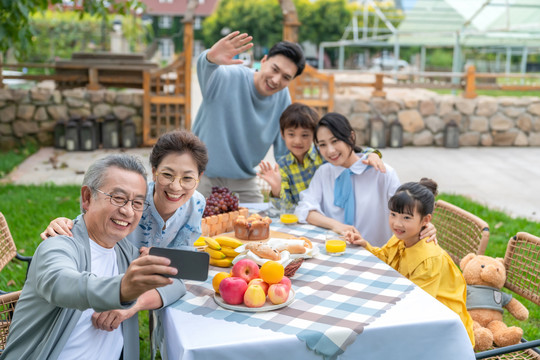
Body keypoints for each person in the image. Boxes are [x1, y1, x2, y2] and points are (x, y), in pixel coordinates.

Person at [1, 154, 184, 359]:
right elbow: (61, 284)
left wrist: (134, 304)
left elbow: (177, 282)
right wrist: (123, 289)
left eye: (137, 203)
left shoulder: (124, 251)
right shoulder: (59, 244)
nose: (127, 211)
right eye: (118, 198)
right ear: (87, 198)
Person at [345, 178, 475, 346]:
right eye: (393, 214)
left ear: (426, 220)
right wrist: (365, 245)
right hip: (411, 313)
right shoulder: (402, 237)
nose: (397, 223)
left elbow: (417, 305)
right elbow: (386, 257)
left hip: (443, 331)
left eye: (406, 217)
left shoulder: (428, 260)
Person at [40, 130, 208, 249]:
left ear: (199, 177)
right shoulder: (133, 198)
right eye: (167, 174)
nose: (175, 186)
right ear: (154, 172)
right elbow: (92, 226)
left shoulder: (197, 204)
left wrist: (160, 260)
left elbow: (183, 252)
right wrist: (64, 225)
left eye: (187, 178)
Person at [193, 31, 306, 202]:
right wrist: (209, 57)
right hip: (202, 176)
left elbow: (285, 151)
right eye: (274, 69)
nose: (276, 80)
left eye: (286, 77)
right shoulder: (228, 76)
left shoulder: (283, 99)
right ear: (264, 61)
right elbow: (205, 69)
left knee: (260, 224)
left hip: (244, 181)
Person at [294, 112, 435, 246]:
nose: (330, 151)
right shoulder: (324, 173)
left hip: (378, 256)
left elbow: (406, 210)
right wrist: (337, 226)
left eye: (335, 141)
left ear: (351, 137)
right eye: (322, 145)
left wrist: (425, 225)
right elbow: (305, 210)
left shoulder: (382, 172)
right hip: (334, 251)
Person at [257, 103, 385, 209]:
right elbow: (286, 209)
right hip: (306, 219)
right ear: (282, 134)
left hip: (335, 213)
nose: (297, 141)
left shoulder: (325, 153)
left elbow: (353, 154)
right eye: (291, 134)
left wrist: (373, 154)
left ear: (315, 135)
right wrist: (276, 189)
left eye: (305, 135)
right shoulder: (283, 166)